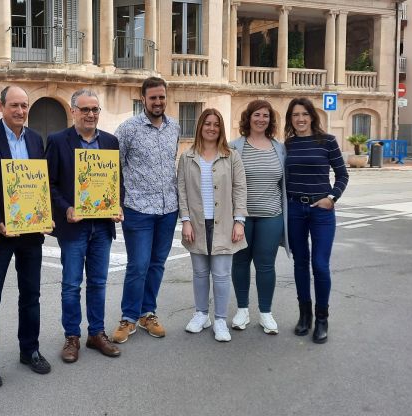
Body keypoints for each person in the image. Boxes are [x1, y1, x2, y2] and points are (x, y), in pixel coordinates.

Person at [0, 86, 51, 388]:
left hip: (30, 233)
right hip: (0, 233)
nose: (20, 111)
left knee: (31, 295)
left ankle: (29, 350)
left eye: (24, 106)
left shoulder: (34, 138)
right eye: (14, 105)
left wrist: (44, 215)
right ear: (0, 106)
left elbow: (36, 184)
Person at [45, 89, 122, 363]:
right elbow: (49, 183)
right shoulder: (57, 141)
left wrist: (117, 205)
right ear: (73, 111)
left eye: (95, 110)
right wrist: (66, 208)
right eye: (85, 109)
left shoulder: (111, 142)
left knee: (99, 283)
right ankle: (72, 337)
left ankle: (96, 333)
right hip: (74, 227)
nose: (91, 114)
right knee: (71, 285)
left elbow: (117, 181)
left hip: (102, 227)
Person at [111, 77, 181, 343]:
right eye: (153, 98)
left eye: (162, 97)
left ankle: (147, 313)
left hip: (168, 209)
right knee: (138, 265)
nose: (158, 102)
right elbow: (113, 166)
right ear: (143, 99)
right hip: (138, 208)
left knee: (156, 264)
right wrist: (115, 201)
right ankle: (128, 317)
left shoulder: (174, 127)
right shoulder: (128, 129)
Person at [178, 108, 248, 342]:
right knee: (199, 273)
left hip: (224, 223)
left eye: (216, 124)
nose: (211, 128)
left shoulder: (231, 156)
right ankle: (201, 314)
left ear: (221, 128)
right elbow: (182, 192)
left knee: (220, 274)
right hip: (197, 223)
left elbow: (240, 189)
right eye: (207, 123)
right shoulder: (187, 157)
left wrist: (239, 221)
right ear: (200, 126)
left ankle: (219, 319)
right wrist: (185, 221)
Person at [284, 97, 349, 344]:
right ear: (290, 119)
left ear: (312, 116)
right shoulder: (288, 145)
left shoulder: (327, 141)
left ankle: (322, 318)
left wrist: (332, 197)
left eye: (304, 114)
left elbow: (342, 174)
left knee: (320, 264)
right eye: (295, 115)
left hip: (321, 211)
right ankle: (305, 315)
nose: (300, 119)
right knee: (300, 263)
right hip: (294, 210)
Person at [229, 100, 289, 335]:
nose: (261, 119)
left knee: (266, 266)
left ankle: (266, 313)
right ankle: (242, 310)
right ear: (248, 118)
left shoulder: (280, 149)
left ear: (270, 120)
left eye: (265, 115)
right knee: (240, 263)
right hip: (241, 219)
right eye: (257, 115)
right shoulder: (235, 147)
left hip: (271, 217)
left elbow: (285, 183)